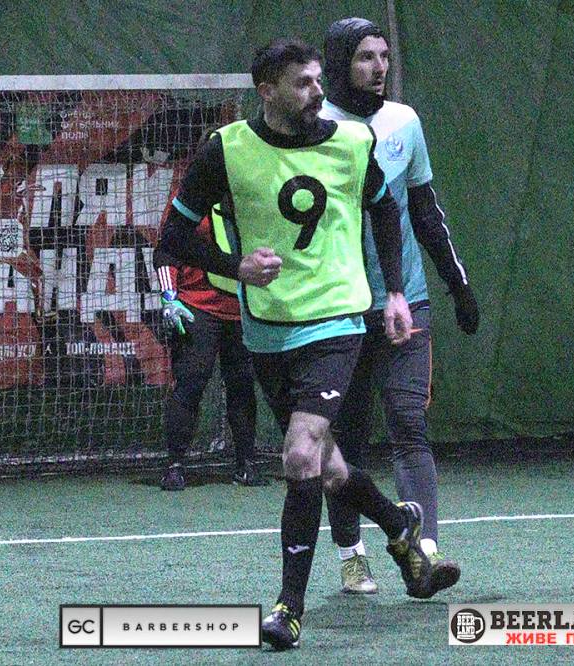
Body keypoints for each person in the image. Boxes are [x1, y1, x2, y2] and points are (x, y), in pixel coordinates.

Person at [158, 38, 438, 651]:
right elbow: (171, 240)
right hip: (267, 326)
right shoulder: (227, 149)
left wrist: (394, 291)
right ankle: (399, 528)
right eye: (304, 83)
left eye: (318, 80)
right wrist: (235, 267)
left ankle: (289, 608)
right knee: (326, 465)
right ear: (268, 91)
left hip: (338, 320)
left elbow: (386, 213)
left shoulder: (352, 142)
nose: (318, 93)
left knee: (300, 454)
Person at [320, 18, 479, 596]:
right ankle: (352, 554)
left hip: (407, 302)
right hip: (338, 307)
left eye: (384, 56)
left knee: (409, 423)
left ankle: (425, 554)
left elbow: (424, 210)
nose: (379, 67)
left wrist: (457, 284)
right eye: (365, 57)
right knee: (346, 438)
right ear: (341, 63)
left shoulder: (404, 122)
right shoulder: (317, 129)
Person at [154, 193, 266, 489]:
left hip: (244, 308)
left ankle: (246, 463)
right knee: (190, 383)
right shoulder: (192, 197)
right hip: (196, 306)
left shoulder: (252, 195)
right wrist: (169, 297)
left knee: (242, 385)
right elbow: (166, 250)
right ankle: (175, 465)